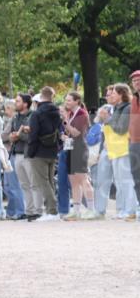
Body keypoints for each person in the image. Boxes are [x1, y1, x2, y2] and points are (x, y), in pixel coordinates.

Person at [25, 86, 62, 221]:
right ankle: (51, 210)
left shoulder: (37, 113)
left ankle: (52, 211)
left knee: (43, 182)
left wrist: (31, 151)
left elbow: (33, 135)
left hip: (39, 151)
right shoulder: (57, 111)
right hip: (52, 150)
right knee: (50, 181)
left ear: (41, 96)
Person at [61, 91, 98, 220]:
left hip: (80, 149)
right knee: (73, 181)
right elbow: (70, 132)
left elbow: (76, 133)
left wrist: (65, 121)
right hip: (71, 148)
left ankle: (92, 209)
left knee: (83, 179)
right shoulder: (71, 114)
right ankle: (76, 211)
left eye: (69, 100)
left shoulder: (82, 114)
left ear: (77, 101)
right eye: (66, 100)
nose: (67, 102)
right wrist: (64, 135)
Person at [107, 83, 137, 220]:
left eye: (114, 92)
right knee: (119, 181)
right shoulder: (117, 109)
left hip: (124, 148)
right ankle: (123, 209)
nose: (111, 95)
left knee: (126, 181)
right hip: (115, 149)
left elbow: (121, 129)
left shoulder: (127, 108)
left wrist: (108, 120)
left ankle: (130, 209)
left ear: (121, 94)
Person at [8, 94, 34, 220]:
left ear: (25, 103)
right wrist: (12, 137)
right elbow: (11, 134)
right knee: (23, 184)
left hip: (29, 154)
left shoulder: (33, 116)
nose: (15, 103)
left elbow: (32, 137)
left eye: (18, 101)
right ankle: (28, 211)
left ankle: (36, 210)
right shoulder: (15, 117)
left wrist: (19, 136)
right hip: (17, 153)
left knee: (33, 183)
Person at [0, 99, 26, 219]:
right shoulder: (12, 119)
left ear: (10, 109)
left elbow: (4, 135)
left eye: (6, 108)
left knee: (13, 184)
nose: (5, 111)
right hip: (8, 154)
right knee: (8, 185)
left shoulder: (13, 119)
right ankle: (11, 210)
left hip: (11, 153)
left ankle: (20, 210)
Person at [130, 71, 140, 215]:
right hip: (134, 142)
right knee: (136, 176)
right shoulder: (134, 99)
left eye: (139, 80)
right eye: (134, 81)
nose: (137, 82)